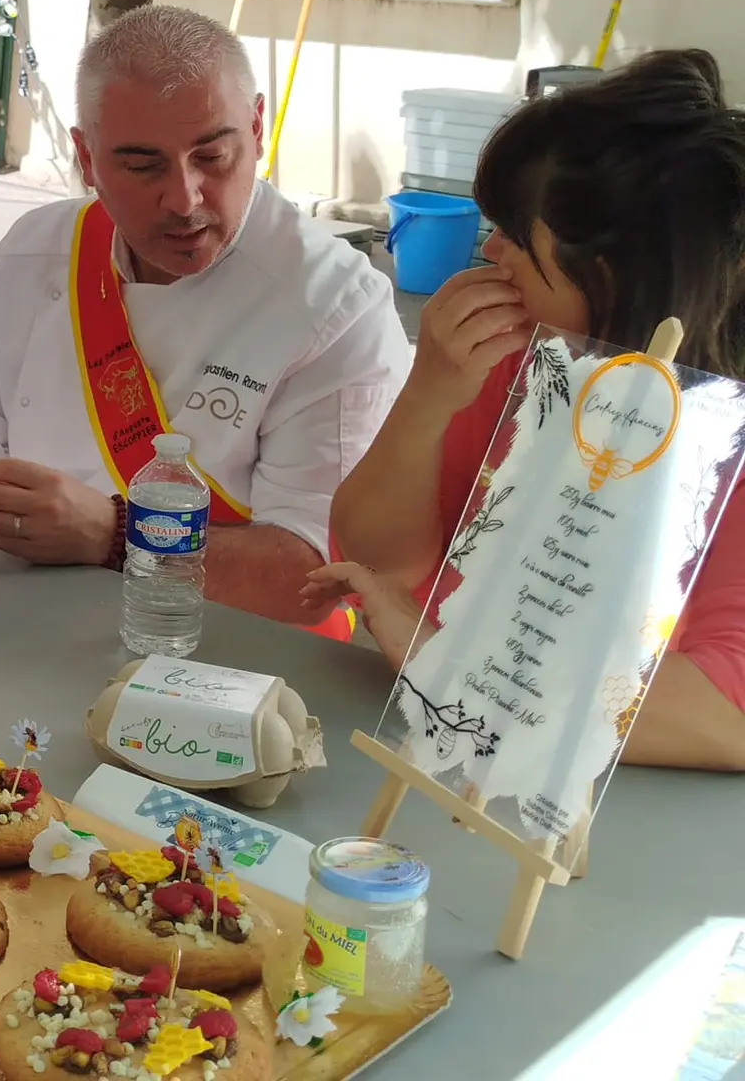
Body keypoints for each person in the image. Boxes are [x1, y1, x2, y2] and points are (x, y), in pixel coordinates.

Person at [0, 5, 411, 632]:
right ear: (86, 156)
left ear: (258, 128)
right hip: (27, 627)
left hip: (233, 656)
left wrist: (114, 534)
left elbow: (315, 574)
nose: (184, 198)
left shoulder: (335, 303)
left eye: (213, 156)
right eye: (143, 166)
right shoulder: (43, 250)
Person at [312, 50, 745, 772]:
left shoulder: (722, 435)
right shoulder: (519, 358)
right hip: (433, 749)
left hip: (614, 800)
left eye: (514, 232)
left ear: (609, 267)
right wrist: (429, 395)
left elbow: (723, 712)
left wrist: (448, 669)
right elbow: (379, 567)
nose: (490, 250)